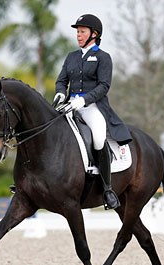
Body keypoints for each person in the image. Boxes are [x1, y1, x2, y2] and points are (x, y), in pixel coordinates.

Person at [54, 14, 132, 210]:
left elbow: (104, 86)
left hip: (92, 106)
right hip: (69, 105)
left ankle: (107, 188)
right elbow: (61, 80)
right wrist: (60, 94)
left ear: (94, 34)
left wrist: (83, 100)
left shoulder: (103, 57)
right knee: (45, 129)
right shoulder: (71, 56)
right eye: (77, 32)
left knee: (98, 137)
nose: (78, 35)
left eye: (82, 32)